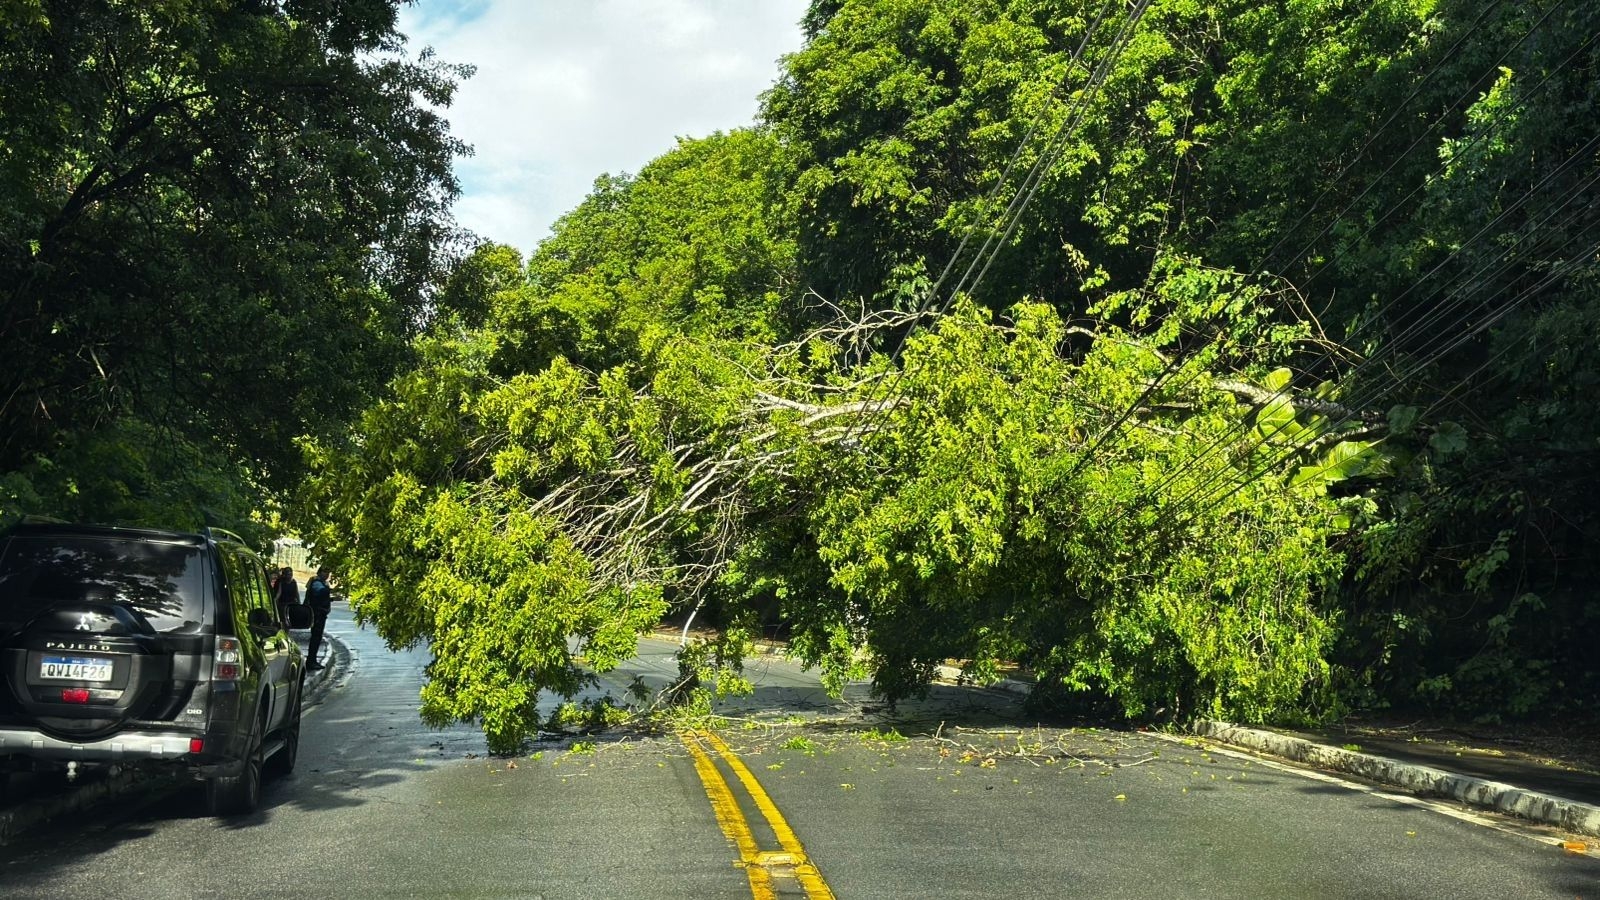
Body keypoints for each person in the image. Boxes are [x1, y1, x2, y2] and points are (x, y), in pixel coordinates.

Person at [304, 567, 333, 670]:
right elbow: (320, 592)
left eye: (328, 572)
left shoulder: (323, 583)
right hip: (317, 614)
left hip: (321, 614)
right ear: (320, 572)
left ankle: (313, 660)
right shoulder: (316, 582)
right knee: (315, 638)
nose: (327, 574)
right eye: (325, 572)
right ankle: (311, 661)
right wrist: (331, 590)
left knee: (317, 638)